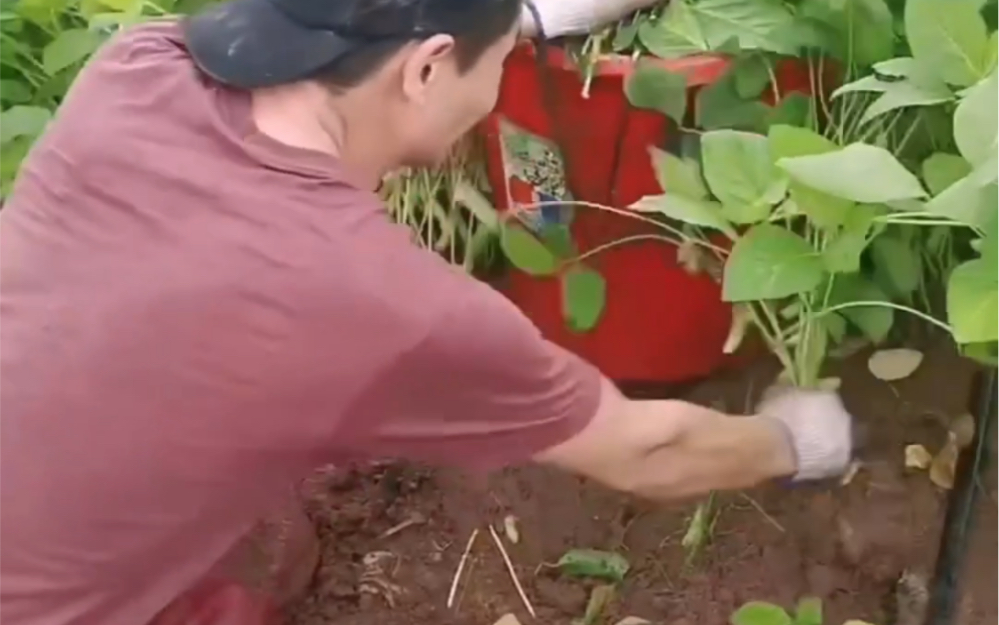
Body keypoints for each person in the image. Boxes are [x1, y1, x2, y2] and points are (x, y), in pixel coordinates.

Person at [0, 0, 854, 623]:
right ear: (425, 67)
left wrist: (523, 20)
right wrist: (797, 440)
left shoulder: (134, 71)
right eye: (491, 67)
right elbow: (648, 450)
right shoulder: (372, 302)